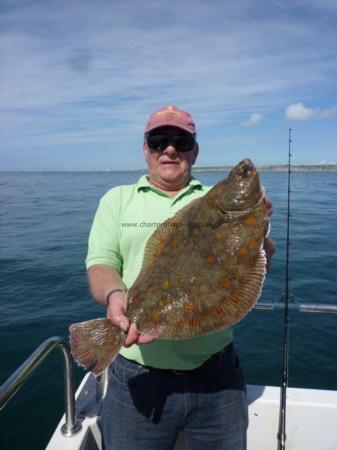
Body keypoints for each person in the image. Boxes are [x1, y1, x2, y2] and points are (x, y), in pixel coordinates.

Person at [86, 105, 275, 450]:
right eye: (159, 140)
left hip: (218, 377)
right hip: (137, 378)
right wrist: (116, 296)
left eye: (180, 140)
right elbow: (100, 264)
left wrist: (259, 233)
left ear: (194, 150)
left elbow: (255, 268)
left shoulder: (210, 199)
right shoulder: (117, 201)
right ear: (145, 148)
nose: (169, 149)